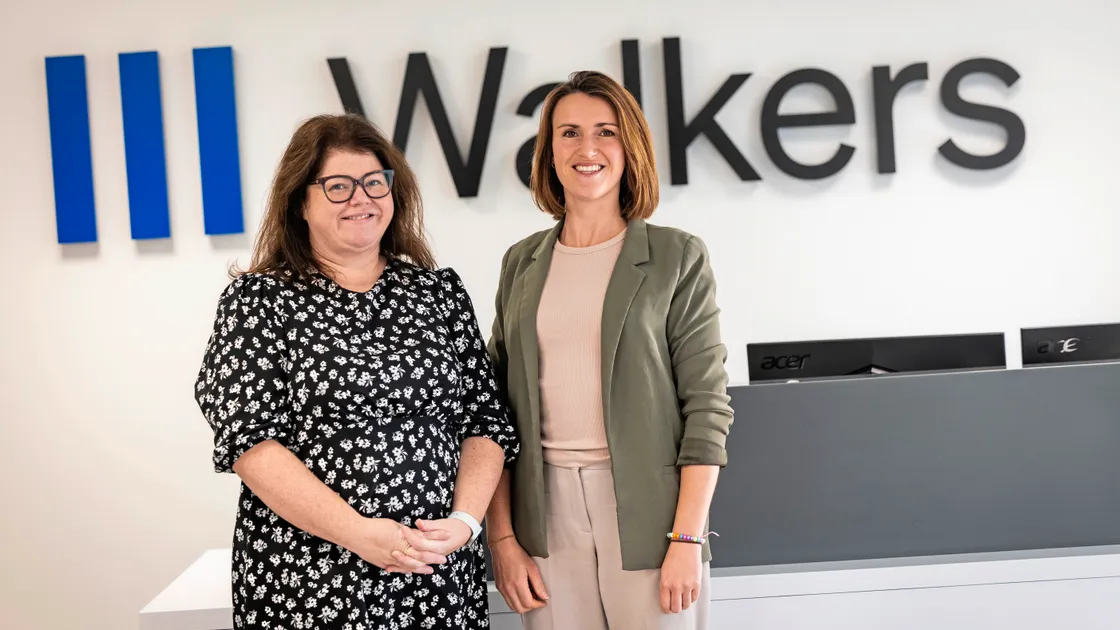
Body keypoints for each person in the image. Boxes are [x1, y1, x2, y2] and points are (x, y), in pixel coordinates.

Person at [193, 113, 519, 629]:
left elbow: (484, 421)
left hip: (435, 577)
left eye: (374, 182)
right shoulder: (259, 301)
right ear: (301, 201)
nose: (360, 199)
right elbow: (248, 444)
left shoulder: (438, 294)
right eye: (338, 186)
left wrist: (464, 522)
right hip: (309, 578)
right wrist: (360, 533)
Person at [482, 70, 734, 629]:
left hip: (650, 516)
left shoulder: (676, 256)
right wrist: (501, 539)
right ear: (548, 151)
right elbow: (490, 412)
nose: (587, 148)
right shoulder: (520, 264)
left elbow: (707, 410)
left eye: (606, 132)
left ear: (630, 147)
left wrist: (687, 537)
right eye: (568, 133)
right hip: (544, 517)